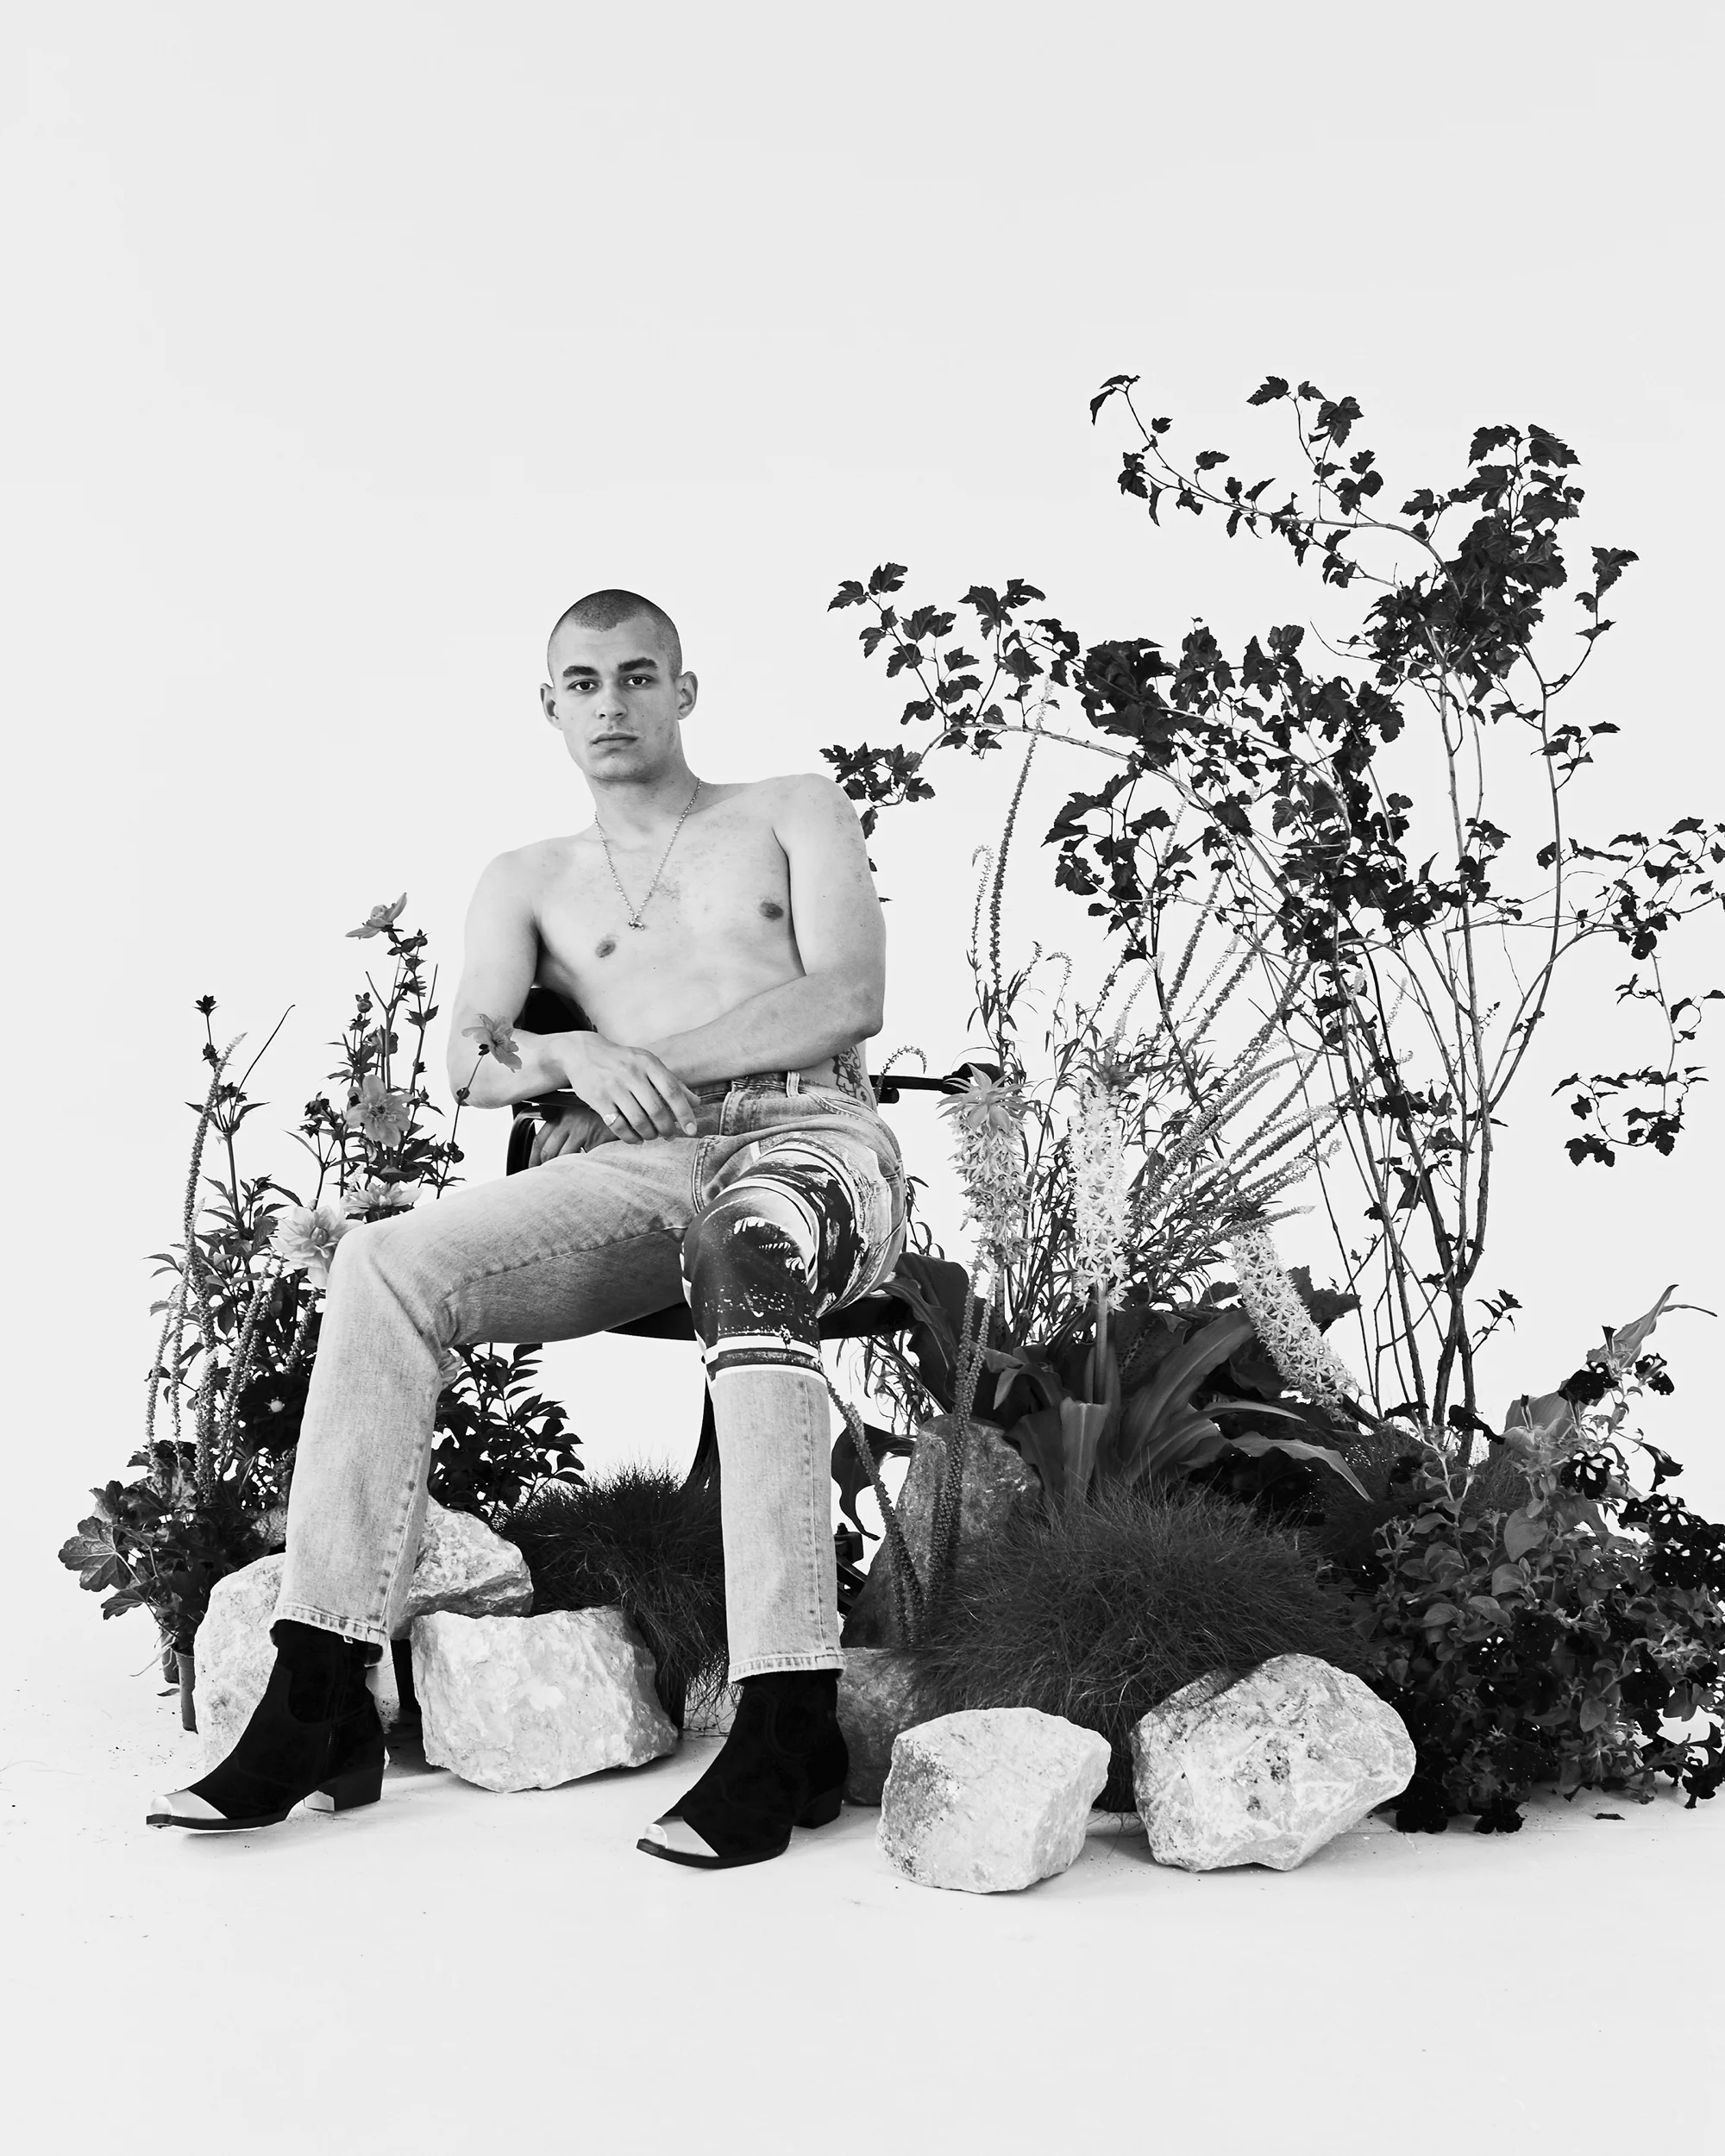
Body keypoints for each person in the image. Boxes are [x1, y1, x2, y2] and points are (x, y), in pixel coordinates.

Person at [148, 588, 904, 1868]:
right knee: (384, 1261)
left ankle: (788, 1718)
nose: (612, 703)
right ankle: (319, 1690)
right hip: (637, 1165)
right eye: (584, 682)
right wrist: (567, 1055)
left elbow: (849, 995)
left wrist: (637, 1059)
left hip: (808, 1139)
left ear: (684, 691)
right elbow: (472, 1057)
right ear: (549, 706)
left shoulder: (791, 808)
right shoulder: (528, 879)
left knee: (749, 1247)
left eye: (638, 676)